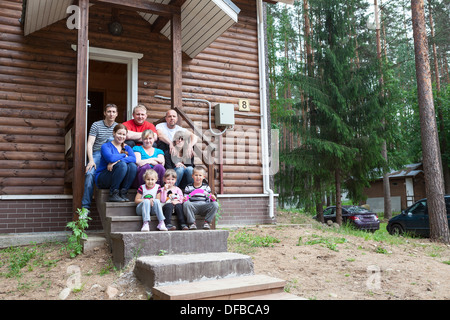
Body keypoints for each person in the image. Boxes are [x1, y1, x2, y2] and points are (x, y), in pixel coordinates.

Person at [82, 104, 118, 212]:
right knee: (89, 174)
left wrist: (114, 160)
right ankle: (85, 208)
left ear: (117, 114)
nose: (111, 114)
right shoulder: (96, 125)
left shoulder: (118, 127)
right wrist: (91, 160)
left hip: (111, 154)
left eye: (113, 112)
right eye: (109, 111)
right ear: (104, 113)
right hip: (97, 154)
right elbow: (89, 144)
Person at [95, 124, 137, 202]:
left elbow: (134, 159)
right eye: (119, 133)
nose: (121, 136)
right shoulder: (106, 146)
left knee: (132, 166)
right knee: (122, 165)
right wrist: (124, 155)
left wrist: (118, 161)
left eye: (124, 134)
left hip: (117, 177)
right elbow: (110, 158)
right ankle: (113, 193)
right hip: (103, 178)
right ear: (114, 133)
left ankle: (123, 192)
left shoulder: (127, 147)